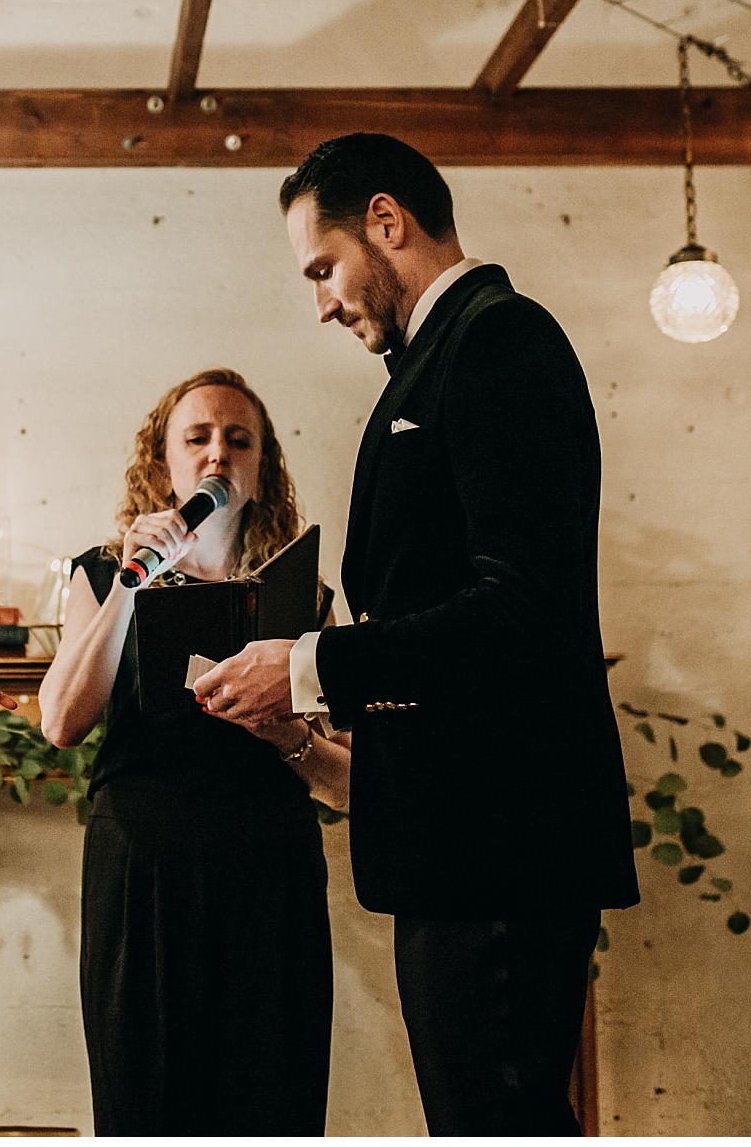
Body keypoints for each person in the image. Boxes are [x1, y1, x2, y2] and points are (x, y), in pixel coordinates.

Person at [192, 134, 641, 1136]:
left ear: (386, 223)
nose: (319, 302)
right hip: (456, 835)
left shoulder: (498, 339)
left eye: (323, 267)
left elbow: (520, 610)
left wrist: (307, 663)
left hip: (500, 840)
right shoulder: (436, 358)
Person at [38, 368, 349, 1136]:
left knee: (271, 1097)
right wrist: (134, 589)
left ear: (262, 466)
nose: (218, 454)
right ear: (163, 462)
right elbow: (60, 722)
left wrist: (289, 738)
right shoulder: (104, 573)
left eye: (238, 440)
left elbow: (349, 784)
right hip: (144, 876)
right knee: (148, 1100)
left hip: (268, 878)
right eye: (198, 437)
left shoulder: (305, 597)